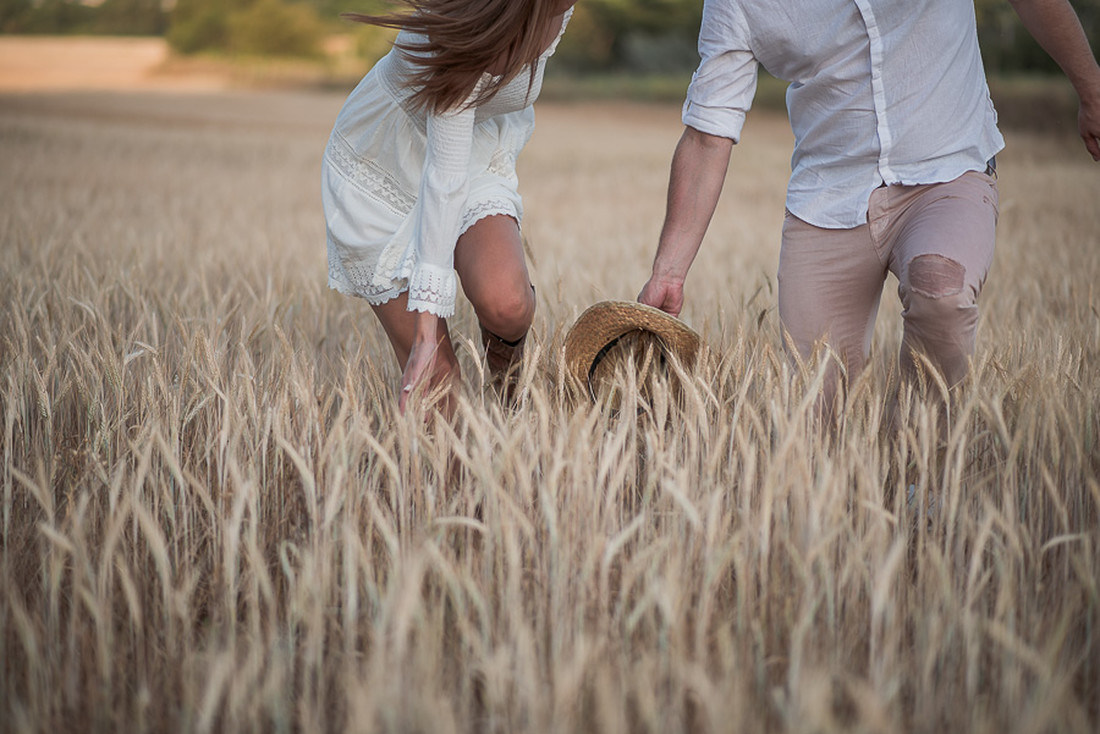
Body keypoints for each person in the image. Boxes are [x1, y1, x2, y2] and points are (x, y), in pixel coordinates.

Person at [638, 0, 1100, 413]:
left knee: (940, 290)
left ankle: (923, 479)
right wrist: (669, 273)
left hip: (946, 169)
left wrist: (1091, 88)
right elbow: (707, 132)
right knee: (815, 407)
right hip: (828, 197)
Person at [322, 0, 576, 413]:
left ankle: (511, 408)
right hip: (382, 166)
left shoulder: (559, 6)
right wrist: (425, 337)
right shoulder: (454, 36)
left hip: (468, 148)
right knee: (438, 387)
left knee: (508, 305)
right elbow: (444, 183)